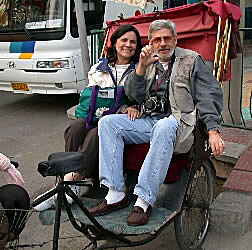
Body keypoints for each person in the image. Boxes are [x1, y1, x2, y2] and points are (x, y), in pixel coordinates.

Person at [88, 19, 225, 226]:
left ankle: (143, 200)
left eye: (167, 38)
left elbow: (208, 95)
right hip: (149, 120)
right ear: (150, 43)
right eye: (157, 40)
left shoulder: (190, 60)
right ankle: (115, 192)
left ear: (175, 40)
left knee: (164, 126)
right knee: (108, 123)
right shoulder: (146, 61)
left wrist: (213, 130)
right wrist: (141, 68)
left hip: (180, 124)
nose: (162, 43)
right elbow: (133, 96)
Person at [34, 24, 142, 211]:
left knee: (97, 133)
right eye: (123, 40)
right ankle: (72, 182)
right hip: (97, 114)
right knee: (76, 127)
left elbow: (142, 95)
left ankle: (68, 182)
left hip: (121, 120)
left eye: (133, 42)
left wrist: (133, 106)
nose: (128, 45)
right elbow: (90, 98)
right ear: (114, 43)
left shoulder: (139, 68)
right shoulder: (99, 67)